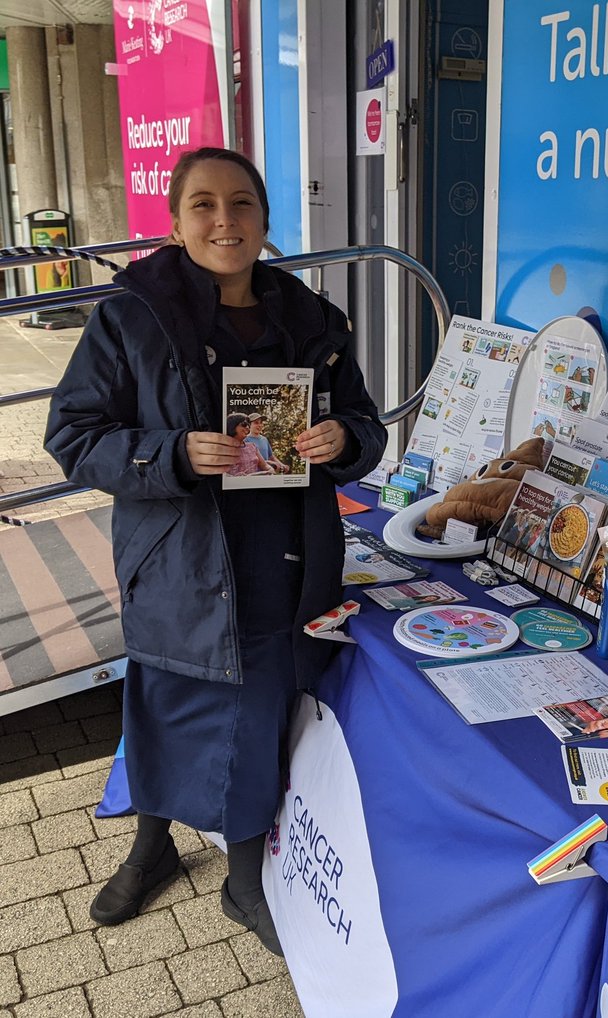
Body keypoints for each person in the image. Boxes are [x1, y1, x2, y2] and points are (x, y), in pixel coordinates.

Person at [45, 147, 387, 956]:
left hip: (283, 561)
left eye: (241, 204)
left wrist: (343, 439)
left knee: (254, 721)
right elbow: (72, 436)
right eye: (203, 204)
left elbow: (367, 428)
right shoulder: (132, 315)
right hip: (177, 557)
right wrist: (167, 454)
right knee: (161, 707)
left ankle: (243, 879)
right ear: (175, 222)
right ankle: (151, 844)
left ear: (266, 223)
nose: (223, 221)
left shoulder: (314, 322)